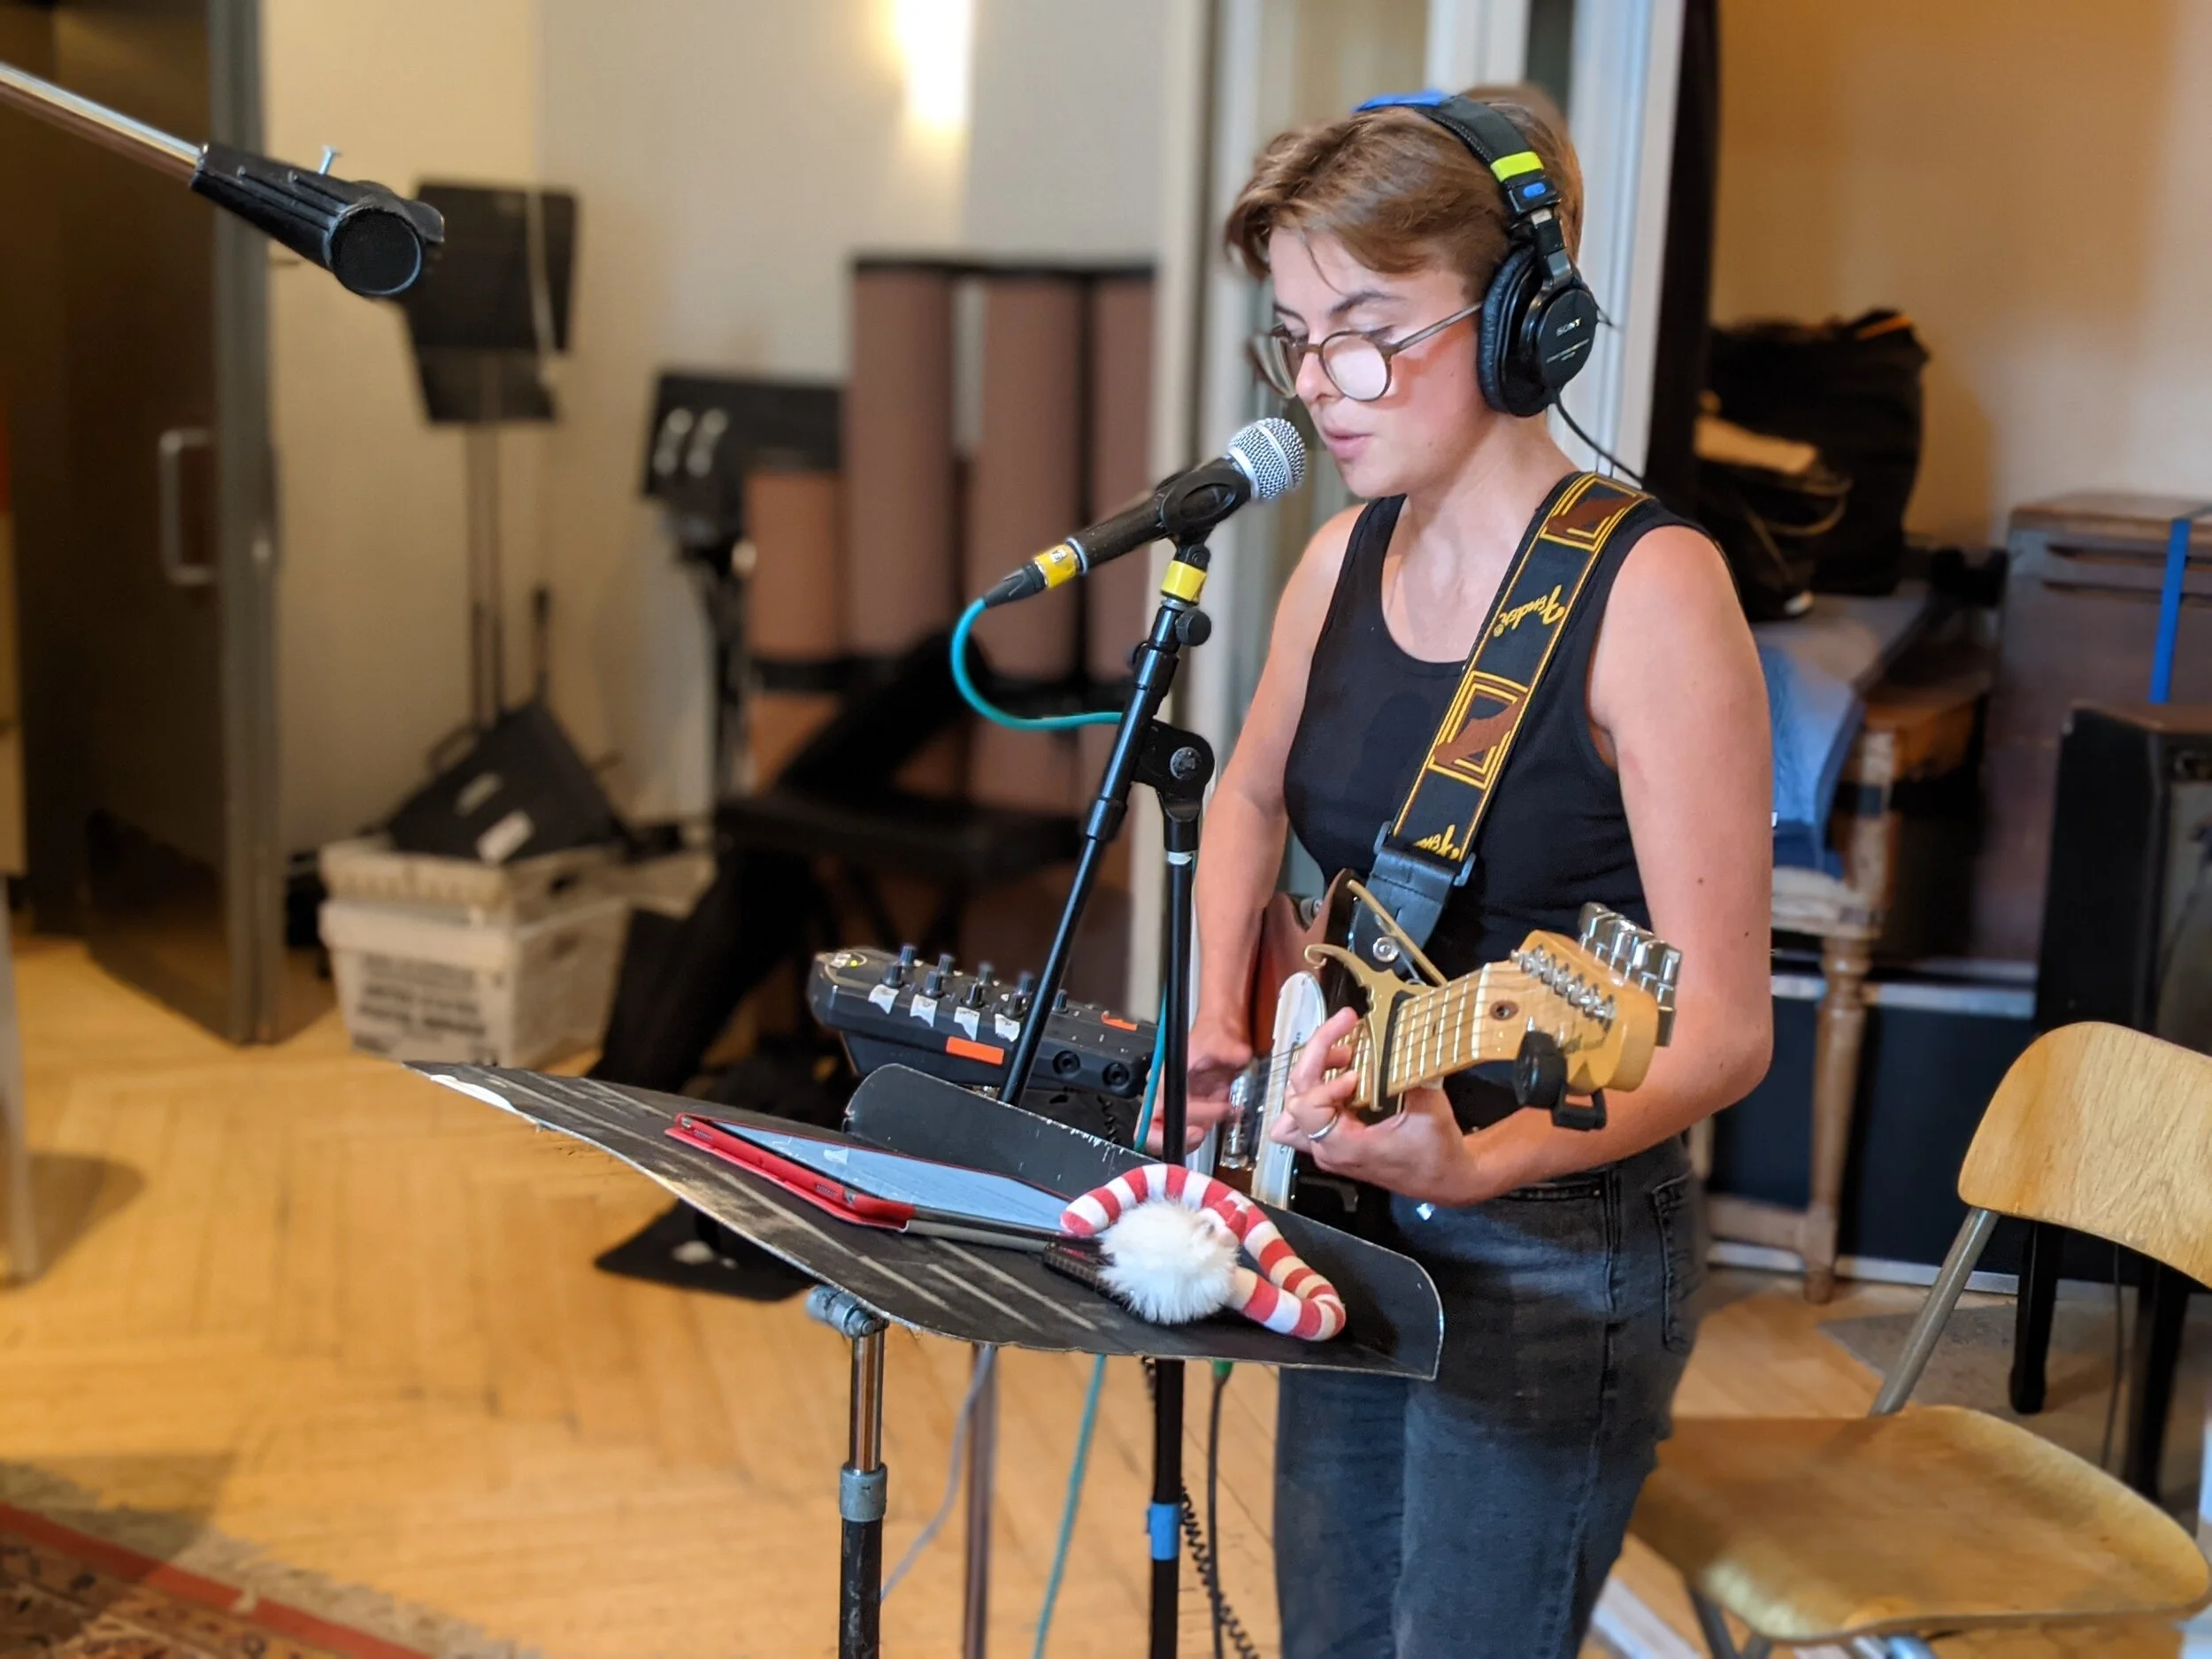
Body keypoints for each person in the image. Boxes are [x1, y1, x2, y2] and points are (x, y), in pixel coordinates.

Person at [1185, 88, 1774, 1658]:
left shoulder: (1656, 595)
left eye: (1369, 334)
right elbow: (1246, 795)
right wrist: (1222, 1023)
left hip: (1552, 1247)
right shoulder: (1338, 560)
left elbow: (1723, 1030)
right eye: (1297, 340)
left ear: (1522, 321)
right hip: (1348, 1203)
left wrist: (1475, 1163)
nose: (1323, 387)